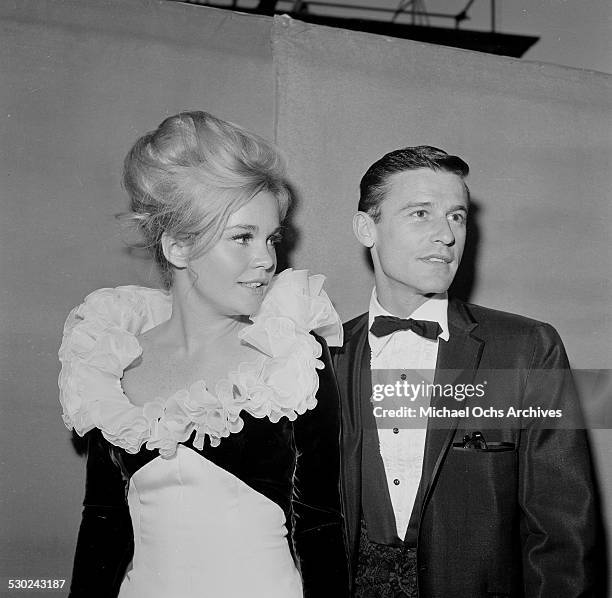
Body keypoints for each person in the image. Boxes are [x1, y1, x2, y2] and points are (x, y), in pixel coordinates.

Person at [58, 111, 349, 598]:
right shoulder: (108, 363)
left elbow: (320, 528)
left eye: (270, 237)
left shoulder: (291, 358)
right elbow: (103, 529)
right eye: (242, 237)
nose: (266, 259)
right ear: (177, 247)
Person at [332, 145, 601, 597]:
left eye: (456, 216)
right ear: (366, 227)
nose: (446, 235)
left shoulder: (527, 348)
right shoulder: (323, 355)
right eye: (421, 213)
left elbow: (563, 534)